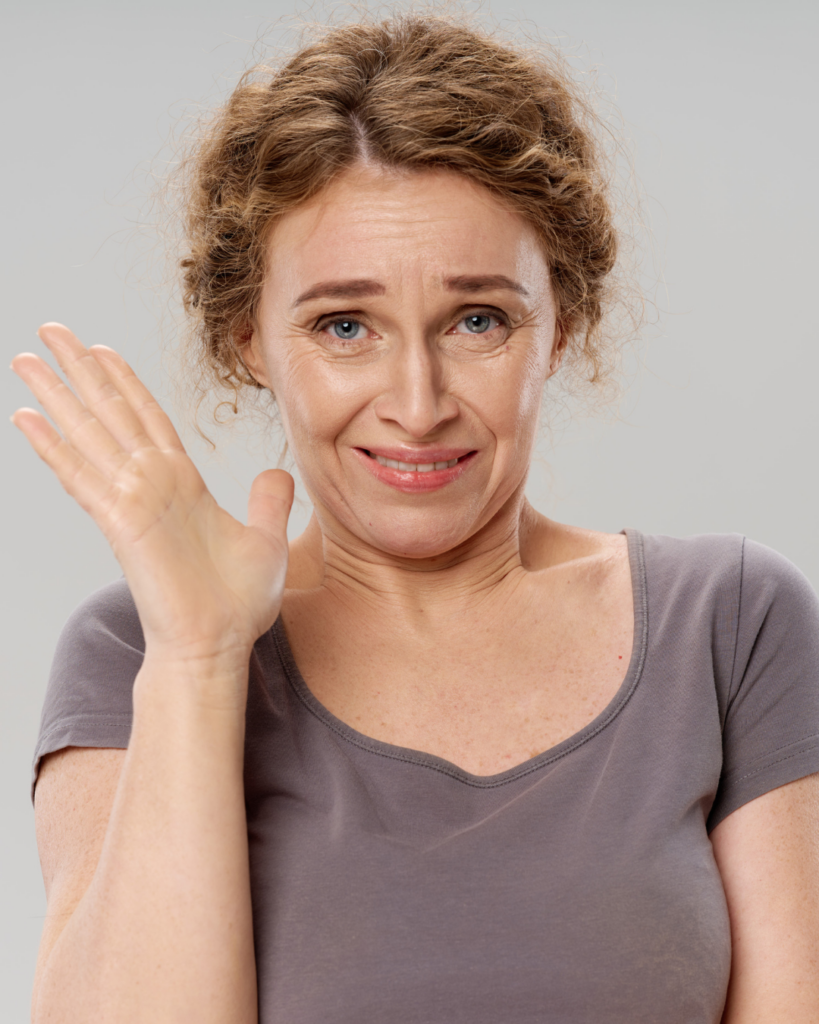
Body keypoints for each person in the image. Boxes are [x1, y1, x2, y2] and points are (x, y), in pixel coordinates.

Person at [12, 13, 819, 1024]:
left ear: (558, 323)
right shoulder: (134, 650)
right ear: (249, 339)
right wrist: (197, 660)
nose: (418, 398)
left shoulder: (732, 625)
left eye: (477, 319)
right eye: (344, 326)